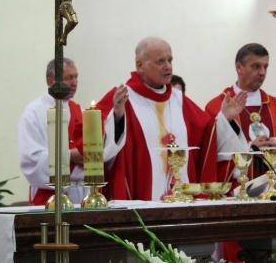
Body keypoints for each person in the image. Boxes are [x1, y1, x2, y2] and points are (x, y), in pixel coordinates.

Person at [78, 36, 242, 201]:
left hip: (183, 202)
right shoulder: (123, 97)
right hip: (141, 199)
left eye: (170, 60)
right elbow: (93, 144)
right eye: (160, 62)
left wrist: (223, 120)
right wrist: (117, 116)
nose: (168, 67)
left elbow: (207, 138)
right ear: (140, 66)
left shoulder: (179, 99)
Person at [205, 43, 276, 180]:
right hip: (236, 192)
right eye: (256, 66)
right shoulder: (217, 106)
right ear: (239, 67)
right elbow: (210, 151)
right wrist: (250, 149)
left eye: (265, 67)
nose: (262, 72)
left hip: (275, 191)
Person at [18, 58, 86, 205]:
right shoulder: (34, 112)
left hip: (81, 193)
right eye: (69, 78)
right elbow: (31, 159)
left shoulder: (79, 110)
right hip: (49, 194)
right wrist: (69, 156)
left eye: (76, 77)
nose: (74, 83)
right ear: (51, 81)